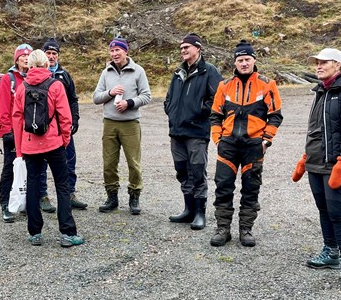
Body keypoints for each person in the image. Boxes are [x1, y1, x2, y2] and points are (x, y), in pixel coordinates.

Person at [292, 48, 341, 288]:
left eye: (324, 62)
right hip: (316, 163)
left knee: (338, 212)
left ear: (338, 65)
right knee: (324, 209)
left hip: (336, 165)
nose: (318, 66)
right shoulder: (321, 91)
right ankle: (331, 251)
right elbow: (315, 129)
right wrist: (306, 158)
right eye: (317, 63)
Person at [209, 40, 282, 247]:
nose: (243, 63)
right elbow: (215, 115)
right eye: (240, 60)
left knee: (251, 189)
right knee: (223, 187)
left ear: (254, 60)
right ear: (235, 62)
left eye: (247, 59)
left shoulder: (267, 84)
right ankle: (223, 228)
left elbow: (275, 115)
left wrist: (266, 140)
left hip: (253, 146)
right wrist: (217, 139)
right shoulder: (224, 86)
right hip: (228, 146)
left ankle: (246, 229)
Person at [12, 49, 82, 247]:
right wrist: (65, 140)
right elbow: (65, 118)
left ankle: (35, 233)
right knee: (62, 186)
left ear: (30, 65)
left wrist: (19, 149)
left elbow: (16, 120)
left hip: (30, 145)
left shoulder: (21, 88)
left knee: (33, 187)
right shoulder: (56, 85)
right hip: (54, 143)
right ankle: (67, 233)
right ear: (46, 64)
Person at [164, 33, 222, 230]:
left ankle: (200, 213)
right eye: (181, 48)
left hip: (197, 131)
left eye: (187, 47)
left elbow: (217, 100)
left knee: (197, 171)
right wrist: (171, 112)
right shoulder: (177, 72)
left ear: (198, 48)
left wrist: (198, 112)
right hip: (177, 131)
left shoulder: (209, 71)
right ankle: (188, 209)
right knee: (182, 170)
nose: (183, 51)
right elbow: (169, 97)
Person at [92, 37, 151, 215]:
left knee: (133, 163)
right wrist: (110, 93)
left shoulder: (138, 71)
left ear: (126, 51)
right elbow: (96, 98)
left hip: (130, 124)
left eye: (118, 50)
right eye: (112, 51)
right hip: (109, 123)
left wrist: (129, 103)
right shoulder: (106, 72)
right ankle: (112, 198)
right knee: (109, 163)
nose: (115, 54)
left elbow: (147, 95)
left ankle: (134, 196)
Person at [39, 38, 87, 210]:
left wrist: (74, 120)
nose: (51, 57)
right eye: (48, 53)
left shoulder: (64, 75)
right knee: (42, 163)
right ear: (43, 55)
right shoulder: (36, 74)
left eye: (54, 53)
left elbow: (73, 100)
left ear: (58, 56)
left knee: (69, 161)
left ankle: (70, 194)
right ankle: (42, 196)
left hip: (63, 128)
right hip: (43, 129)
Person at [0, 43, 32, 223]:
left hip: (30, 133)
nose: (25, 59)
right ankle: (5, 203)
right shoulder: (8, 79)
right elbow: (2, 107)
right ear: (16, 60)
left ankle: (25, 201)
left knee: (30, 168)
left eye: (28, 56)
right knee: (10, 168)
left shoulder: (33, 78)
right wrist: (5, 130)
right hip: (12, 132)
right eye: (22, 56)